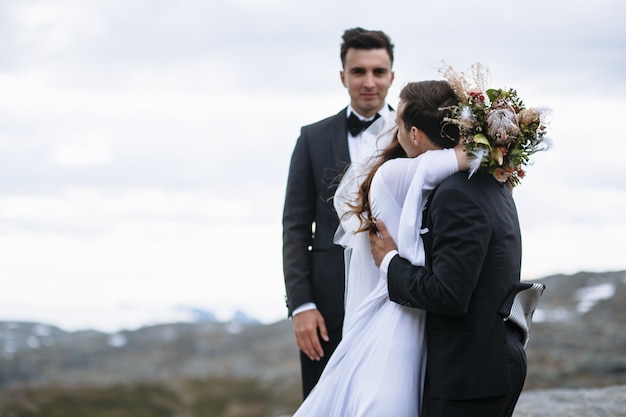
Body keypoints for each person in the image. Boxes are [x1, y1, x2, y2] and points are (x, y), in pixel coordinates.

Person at [368, 67, 549, 416]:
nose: (397, 134)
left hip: (469, 377)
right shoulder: (486, 179)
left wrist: (390, 262)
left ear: (416, 135)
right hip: (483, 366)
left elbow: (449, 295)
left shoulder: (456, 194)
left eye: (400, 126)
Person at [292, 80, 471, 416]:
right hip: (395, 316)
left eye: (396, 121)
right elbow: (468, 155)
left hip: (417, 304)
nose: (391, 127)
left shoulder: (418, 174)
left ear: (415, 135)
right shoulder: (392, 174)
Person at [282, 27, 395, 398]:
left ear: (391, 76)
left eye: (378, 72)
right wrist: (302, 305)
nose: (369, 81)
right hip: (327, 306)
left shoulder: (415, 136)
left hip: (397, 294)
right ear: (342, 76)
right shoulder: (311, 138)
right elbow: (295, 228)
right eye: (358, 71)